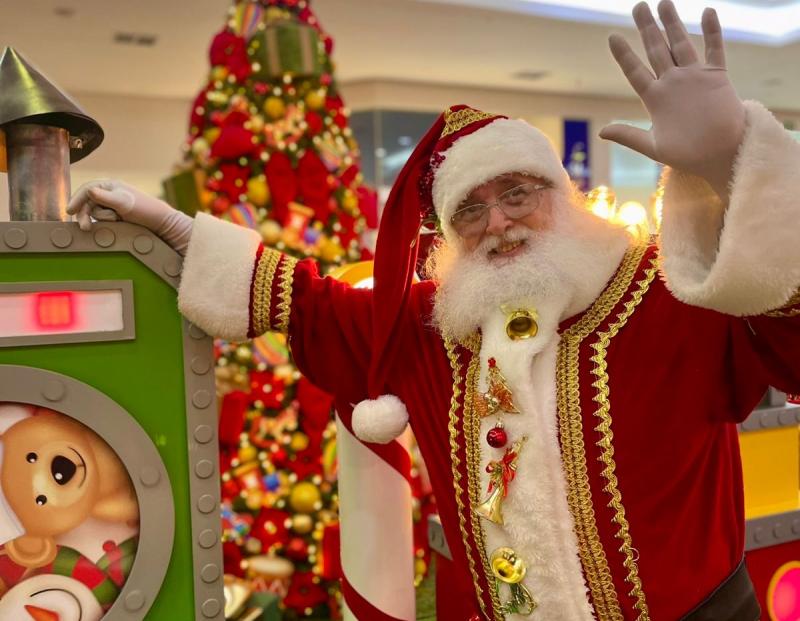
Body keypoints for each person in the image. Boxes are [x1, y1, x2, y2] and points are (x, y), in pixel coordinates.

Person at [69, 1, 800, 619]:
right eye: (471, 209)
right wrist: (178, 231)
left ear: (564, 196)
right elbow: (305, 302)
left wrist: (731, 170)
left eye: (519, 192)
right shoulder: (433, 327)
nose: (500, 222)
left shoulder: (668, 289)